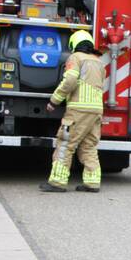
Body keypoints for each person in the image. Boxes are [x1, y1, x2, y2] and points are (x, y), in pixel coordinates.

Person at [39, 30, 105, 193]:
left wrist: (55, 100)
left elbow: (70, 80)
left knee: (66, 143)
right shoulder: (99, 62)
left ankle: (57, 182)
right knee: (89, 146)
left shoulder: (75, 58)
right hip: (96, 110)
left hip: (78, 109)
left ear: (74, 45)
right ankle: (92, 182)